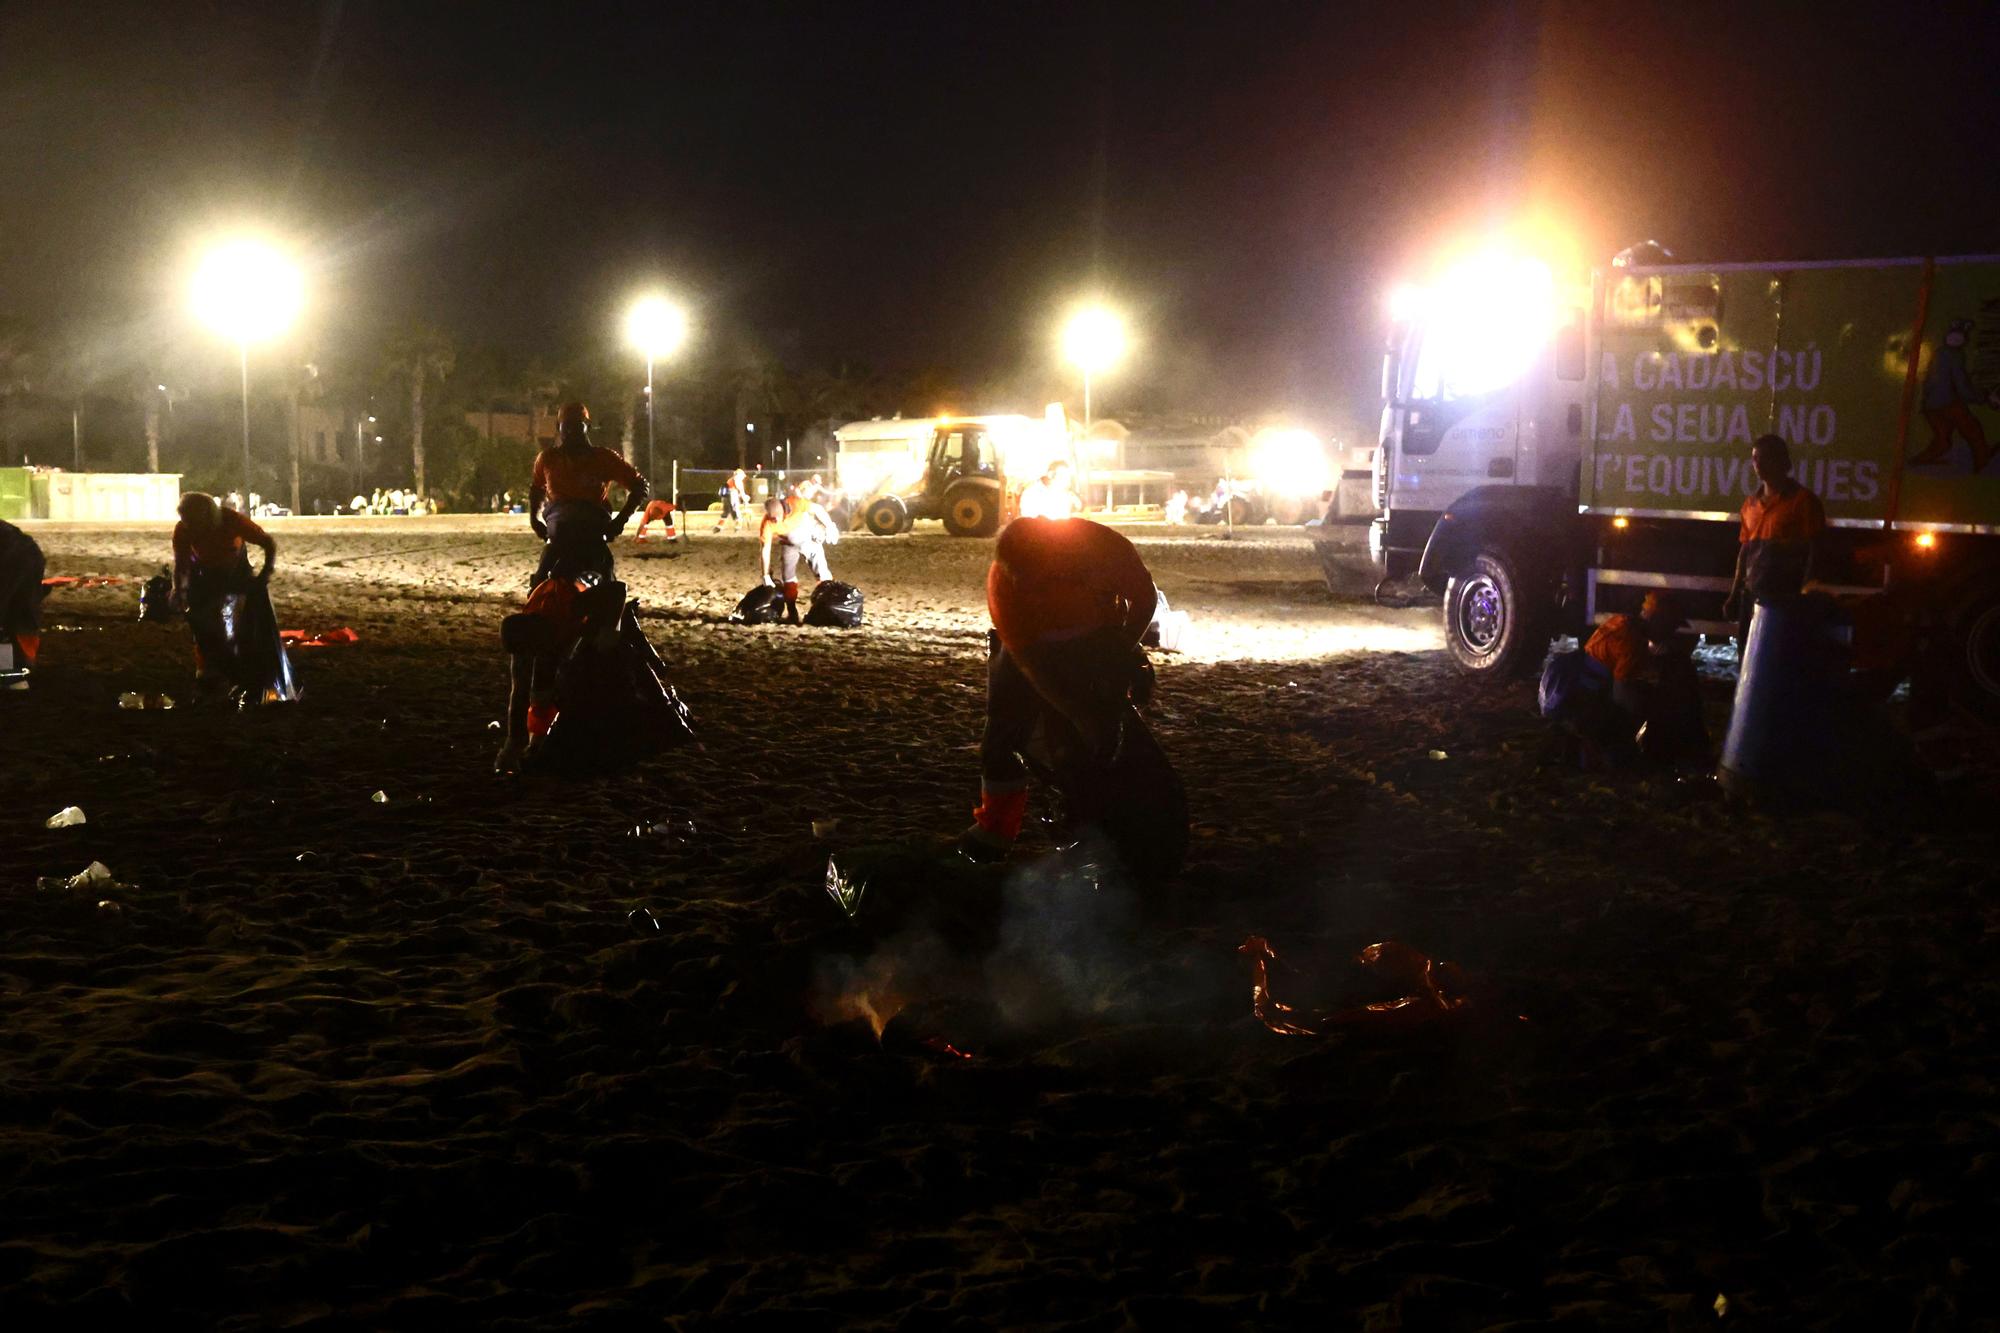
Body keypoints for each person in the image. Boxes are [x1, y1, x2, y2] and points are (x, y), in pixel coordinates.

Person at [961, 516, 1158, 861]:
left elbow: (1144, 598)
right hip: (1034, 647)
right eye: (1027, 583)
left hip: (1097, 636)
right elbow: (1033, 667)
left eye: (1042, 581)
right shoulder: (1004, 585)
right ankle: (995, 830)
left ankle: (1097, 822)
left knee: (1098, 737)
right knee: (1003, 735)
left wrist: (1125, 646)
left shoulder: (1103, 548)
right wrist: (1073, 710)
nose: (1033, 590)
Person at [170, 491, 277, 696]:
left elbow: (268, 543)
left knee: (236, 624)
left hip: (236, 573)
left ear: (206, 515)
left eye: (191, 520)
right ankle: (206, 668)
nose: (188, 525)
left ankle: (239, 670)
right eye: (184, 520)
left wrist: (266, 573)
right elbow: (181, 563)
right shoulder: (183, 529)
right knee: (200, 622)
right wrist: (178, 589)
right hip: (204, 575)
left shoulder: (232, 520)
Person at [528, 401, 647, 584]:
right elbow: (536, 488)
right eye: (567, 426)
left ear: (587, 426)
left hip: (593, 536)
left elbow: (639, 486)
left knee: (609, 593)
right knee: (539, 588)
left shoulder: (604, 458)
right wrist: (534, 519)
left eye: (577, 425)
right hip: (558, 537)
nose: (571, 431)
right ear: (558, 427)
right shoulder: (547, 459)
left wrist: (620, 521)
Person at [1723, 434, 1825, 628]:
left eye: (1764, 458)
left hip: (1784, 601)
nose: (1758, 465)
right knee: (1748, 656)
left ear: (1781, 461)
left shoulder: (1802, 501)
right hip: (1752, 597)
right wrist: (1735, 594)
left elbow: (1816, 550)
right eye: (1755, 459)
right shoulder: (1750, 505)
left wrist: (1805, 593)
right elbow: (1745, 552)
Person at [758, 495, 836, 624]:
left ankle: (828, 607)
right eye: (773, 518)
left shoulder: (796, 503)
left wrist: (829, 526)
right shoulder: (767, 523)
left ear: (784, 510)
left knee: (822, 573)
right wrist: (765, 574)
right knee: (788, 578)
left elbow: (817, 509)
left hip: (809, 541)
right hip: (789, 545)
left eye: (778, 516)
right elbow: (765, 549)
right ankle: (792, 613)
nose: (776, 521)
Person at [0, 518, 46, 682]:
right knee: (20, 615)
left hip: (12, 555)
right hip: (29, 553)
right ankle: (15, 670)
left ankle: (10, 670)